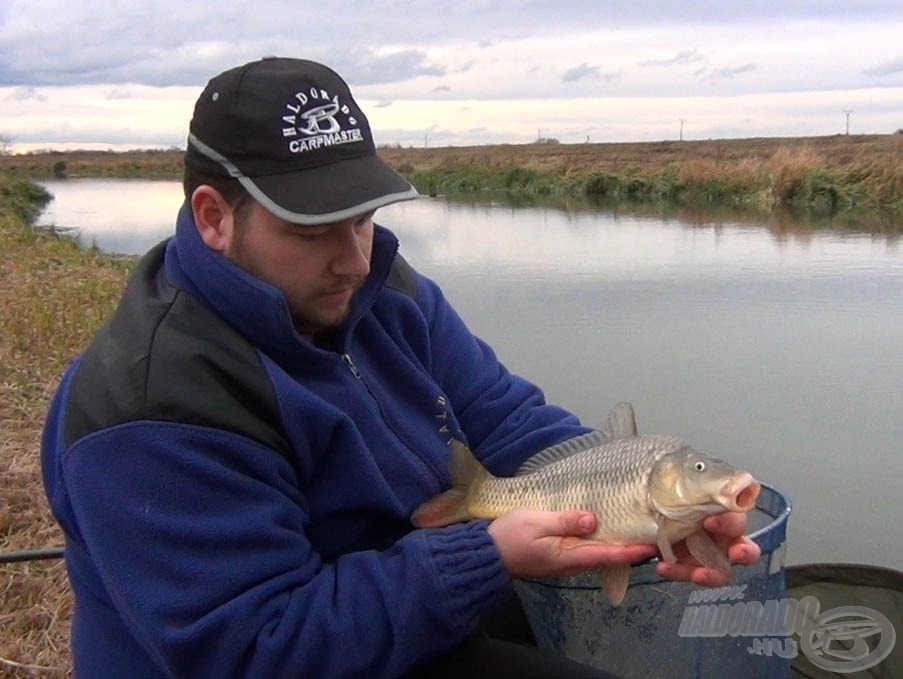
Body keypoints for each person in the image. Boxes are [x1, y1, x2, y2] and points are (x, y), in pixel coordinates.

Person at [40, 57, 760, 678]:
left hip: (420, 613)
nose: (355, 257)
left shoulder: (379, 288)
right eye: (314, 230)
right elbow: (257, 648)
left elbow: (505, 418)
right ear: (213, 217)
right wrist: (481, 556)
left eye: (362, 217)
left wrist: (631, 499)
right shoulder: (151, 406)